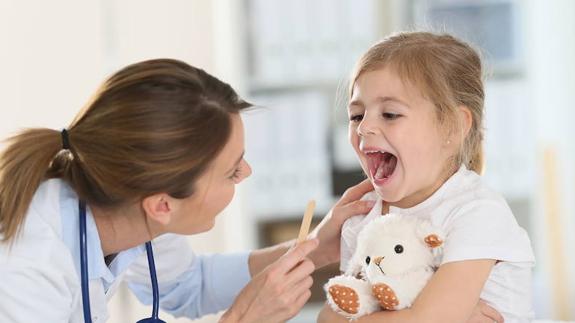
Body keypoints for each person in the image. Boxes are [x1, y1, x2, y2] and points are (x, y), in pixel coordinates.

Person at [0, 59, 376, 323]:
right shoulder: (27, 267)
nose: (247, 172)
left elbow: (188, 285)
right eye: (231, 170)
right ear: (162, 205)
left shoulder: (126, 202)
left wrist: (314, 248)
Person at [318, 32, 535, 323]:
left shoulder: (478, 213)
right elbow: (332, 314)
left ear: (453, 127)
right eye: (357, 115)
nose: (364, 127)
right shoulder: (363, 216)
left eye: (390, 114)